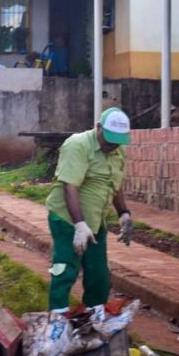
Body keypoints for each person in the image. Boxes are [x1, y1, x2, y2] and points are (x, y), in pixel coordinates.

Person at [45, 107, 135, 316]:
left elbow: (115, 184)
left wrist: (124, 213)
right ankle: (57, 317)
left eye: (117, 141)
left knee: (99, 273)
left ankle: (94, 315)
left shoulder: (118, 150)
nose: (112, 145)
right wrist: (79, 225)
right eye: (109, 139)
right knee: (66, 268)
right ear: (98, 128)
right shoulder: (78, 145)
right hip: (67, 219)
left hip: (96, 219)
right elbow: (70, 186)